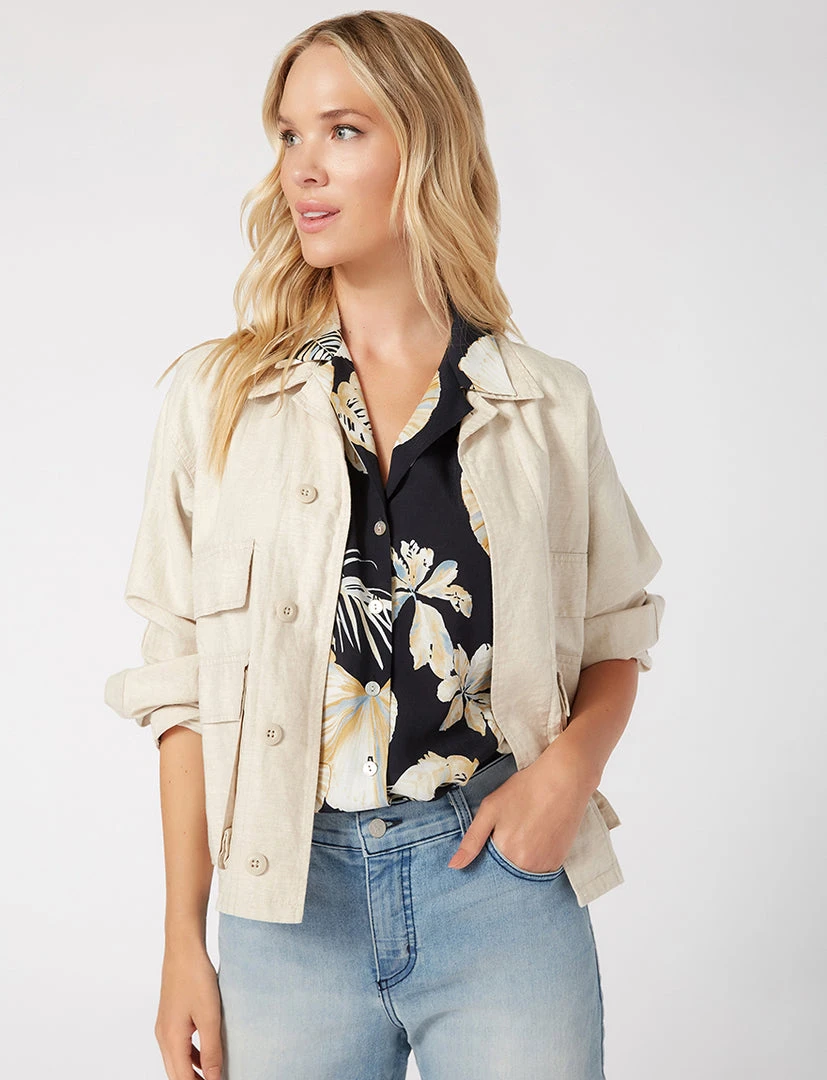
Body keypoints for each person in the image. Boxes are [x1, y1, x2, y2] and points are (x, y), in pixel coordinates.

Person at [104, 10, 665, 1080]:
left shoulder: (543, 404)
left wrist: (565, 777)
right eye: (288, 135)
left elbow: (616, 636)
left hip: (498, 886)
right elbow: (181, 688)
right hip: (285, 906)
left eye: (343, 131)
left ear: (426, 145)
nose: (302, 167)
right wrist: (183, 940)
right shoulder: (218, 401)